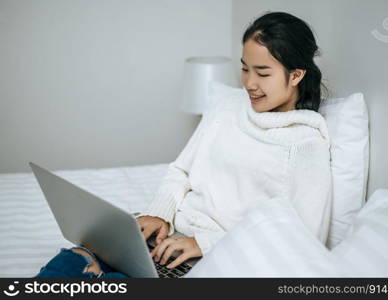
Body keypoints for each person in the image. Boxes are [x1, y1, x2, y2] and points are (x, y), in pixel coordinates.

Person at [35, 11, 332, 278]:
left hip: (218, 259)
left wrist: (205, 243)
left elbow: (300, 241)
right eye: (245, 69)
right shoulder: (228, 109)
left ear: (296, 75)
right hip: (170, 239)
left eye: (263, 73)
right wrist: (159, 213)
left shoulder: (305, 145)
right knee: (74, 259)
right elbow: (181, 171)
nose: (249, 83)